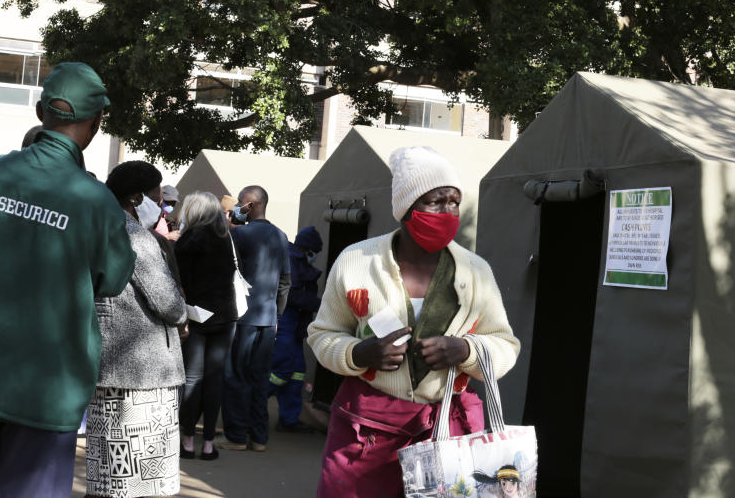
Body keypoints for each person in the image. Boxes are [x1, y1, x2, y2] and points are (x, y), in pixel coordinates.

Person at [0, 62, 135, 498]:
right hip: (48, 383)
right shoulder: (97, 202)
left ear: (38, 110)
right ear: (97, 121)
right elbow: (112, 280)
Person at [308, 146, 521, 497]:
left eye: (454, 201)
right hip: (366, 431)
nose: (448, 211)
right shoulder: (356, 261)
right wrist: (359, 354)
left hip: (446, 434)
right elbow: (323, 334)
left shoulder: (476, 272)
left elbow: (505, 345)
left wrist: (466, 349)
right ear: (406, 207)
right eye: (436, 201)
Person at [85, 161, 188, 498]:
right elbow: (168, 303)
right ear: (135, 197)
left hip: (105, 360)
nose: (161, 207)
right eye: (158, 199)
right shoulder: (135, 237)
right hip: (142, 373)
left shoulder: (92, 226)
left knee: (108, 470)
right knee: (138, 476)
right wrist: (183, 316)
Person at [218, 186, 291, 452]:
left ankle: (236, 436)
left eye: (240, 202)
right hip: (267, 318)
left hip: (241, 317)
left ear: (249, 205)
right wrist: (276, 315)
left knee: (235, 374)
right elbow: (285, 282)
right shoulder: (281, 236)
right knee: (260, 378)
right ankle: (259, 437)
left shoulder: (240, 235)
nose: (237, 206)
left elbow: (226, 275)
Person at [175, 191, 239, 460]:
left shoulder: (188, 239)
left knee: (192, 378)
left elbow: (179, 283)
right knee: (215, 379)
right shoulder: (226, 240)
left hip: (196, 316)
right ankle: (209, 442)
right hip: (225, 316)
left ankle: (188, 440)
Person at [269, 225, 323, 433]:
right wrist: (320, 304)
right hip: (285, 321)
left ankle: (289, 419)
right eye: (315, 253)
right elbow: (291, 296)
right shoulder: (292, 261)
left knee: (297, 372)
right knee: (282, 370)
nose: (315, 257)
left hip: (294, 324)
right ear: (309, 250)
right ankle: (247, 406)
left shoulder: (296, 260)